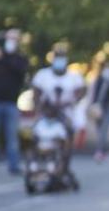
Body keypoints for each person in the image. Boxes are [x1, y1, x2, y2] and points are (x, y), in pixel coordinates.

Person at [31, 44, 86, 173]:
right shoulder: (43, 75)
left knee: (67, 135)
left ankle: (63, 165)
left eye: (62, 57)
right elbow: (36, 93)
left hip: (65, 114)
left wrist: (72, 101)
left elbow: (82, 90)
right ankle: (35, 162)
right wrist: (38, 109)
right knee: (37, 133)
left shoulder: (73, 76)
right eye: (57, 57)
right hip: (47, 113)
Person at [0, 29, 29, 174]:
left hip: (11, 103)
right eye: (9, 38)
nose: (10, 41)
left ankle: (13, 166)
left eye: (14, 39)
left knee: (12, 137)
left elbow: (19, 71)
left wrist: (3, 57)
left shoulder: (20, 58)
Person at [88, 54, 109, 162]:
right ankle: (103, 149)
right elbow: (91, 94)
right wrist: (90, 106)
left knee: (104, 130)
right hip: (97, 108)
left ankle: (100, 151)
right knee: (100, 131)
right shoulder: (96, 80)